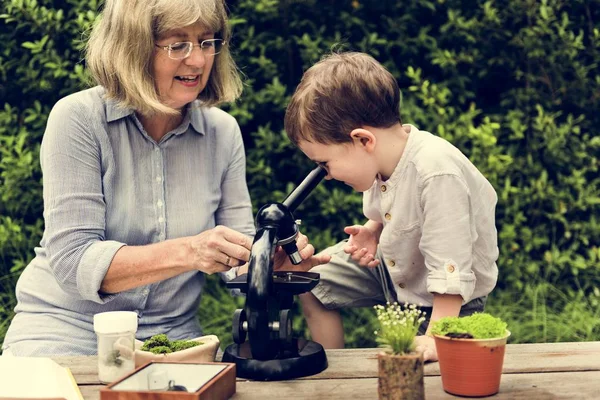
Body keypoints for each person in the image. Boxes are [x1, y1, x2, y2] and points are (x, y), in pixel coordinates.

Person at [2, 0, 328, 357]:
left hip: (172, 340)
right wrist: (189, 251)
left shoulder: (223, 131)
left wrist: (265, 263)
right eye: (178, 45)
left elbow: (237, 261)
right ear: (133, 49)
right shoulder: (77, 119)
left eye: (207, 42)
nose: (199, 60)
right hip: (67, 330)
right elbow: (73, 261)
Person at [283, 52, 499, 361]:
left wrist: (436, 335)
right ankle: (330, 371)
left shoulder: (436, 172)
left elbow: (451, 267)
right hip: (395, 267)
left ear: (363, 140)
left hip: (448, 303)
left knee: (422, 375)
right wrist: (373, 229)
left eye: (325, 164)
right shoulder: (381, 161)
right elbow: (398, 205)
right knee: (312, 281)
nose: (326, 176)